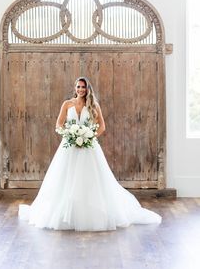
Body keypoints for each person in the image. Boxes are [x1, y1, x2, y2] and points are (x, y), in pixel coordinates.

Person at [19, 77, 162, 231]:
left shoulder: (94, 105)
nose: (81, 90)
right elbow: (58, 124)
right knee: (65, 179)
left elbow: (102, 126)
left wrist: (89, 135)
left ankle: (90, 213)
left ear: (88, 89)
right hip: (70, 147)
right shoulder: (67, 104)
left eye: (83, 87)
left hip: (89, 147)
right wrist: (70, 134)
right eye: (78, 87)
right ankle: (66, 214)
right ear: (75, 88)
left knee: (90, 180)